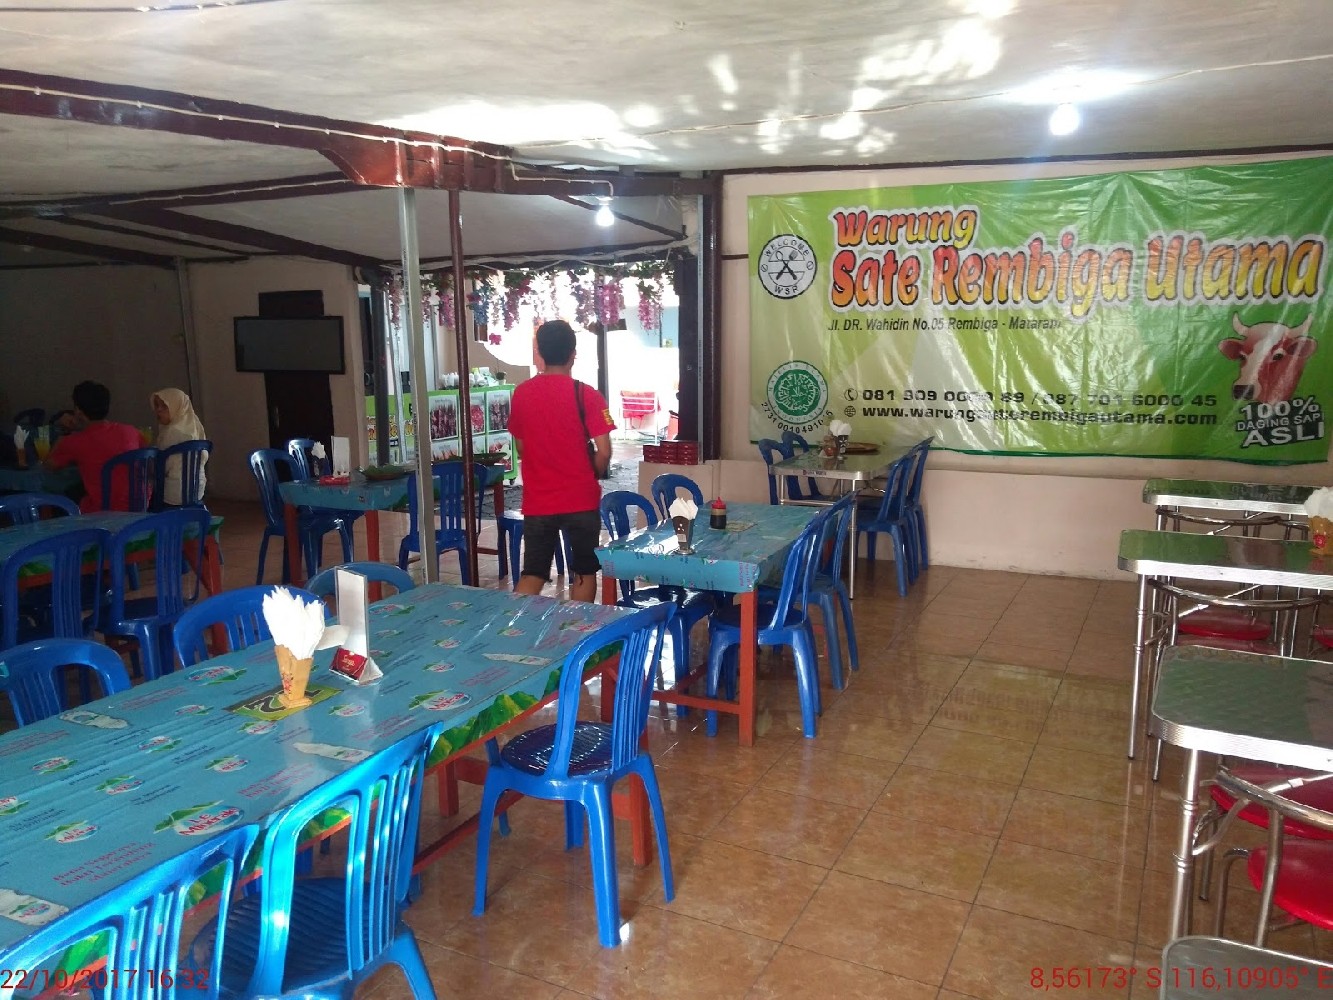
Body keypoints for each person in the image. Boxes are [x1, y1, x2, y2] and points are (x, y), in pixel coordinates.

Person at [508, 320, 615, 602]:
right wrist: (590, 473)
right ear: (573, 354)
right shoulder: (588, 395)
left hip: (539, 500)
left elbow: (521, 447)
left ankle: (513, 625)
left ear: (540, 352)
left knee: (533, 574)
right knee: (585, 572)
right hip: (581, 499)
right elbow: (604, 451)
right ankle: (577, 628)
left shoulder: (522, 393)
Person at [45, 381, 147, 512]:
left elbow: (48, 466)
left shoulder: (74, 442)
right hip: (140, 506)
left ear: (78, 412)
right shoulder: (131, 431)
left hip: (103, 512)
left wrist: (63, 433)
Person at [151, 387, 208, 505]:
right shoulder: (195, 426)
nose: (158, 410)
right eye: (157, 405)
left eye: (164, 406)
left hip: (173, 494)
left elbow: (161, 467)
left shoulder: (172, 432)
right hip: (198, 490)